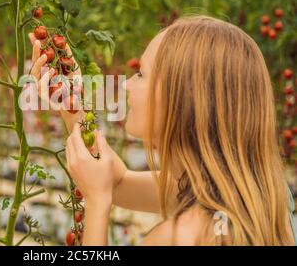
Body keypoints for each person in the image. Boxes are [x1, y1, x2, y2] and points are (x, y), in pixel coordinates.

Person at [27, 16, 296, 246]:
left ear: (182, 101)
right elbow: (117, 183)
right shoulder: (261, 196)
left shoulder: (178, 237)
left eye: (141, 74)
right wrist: (71, 102)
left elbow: (107, 189)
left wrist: (97, 203)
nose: (127, 85)